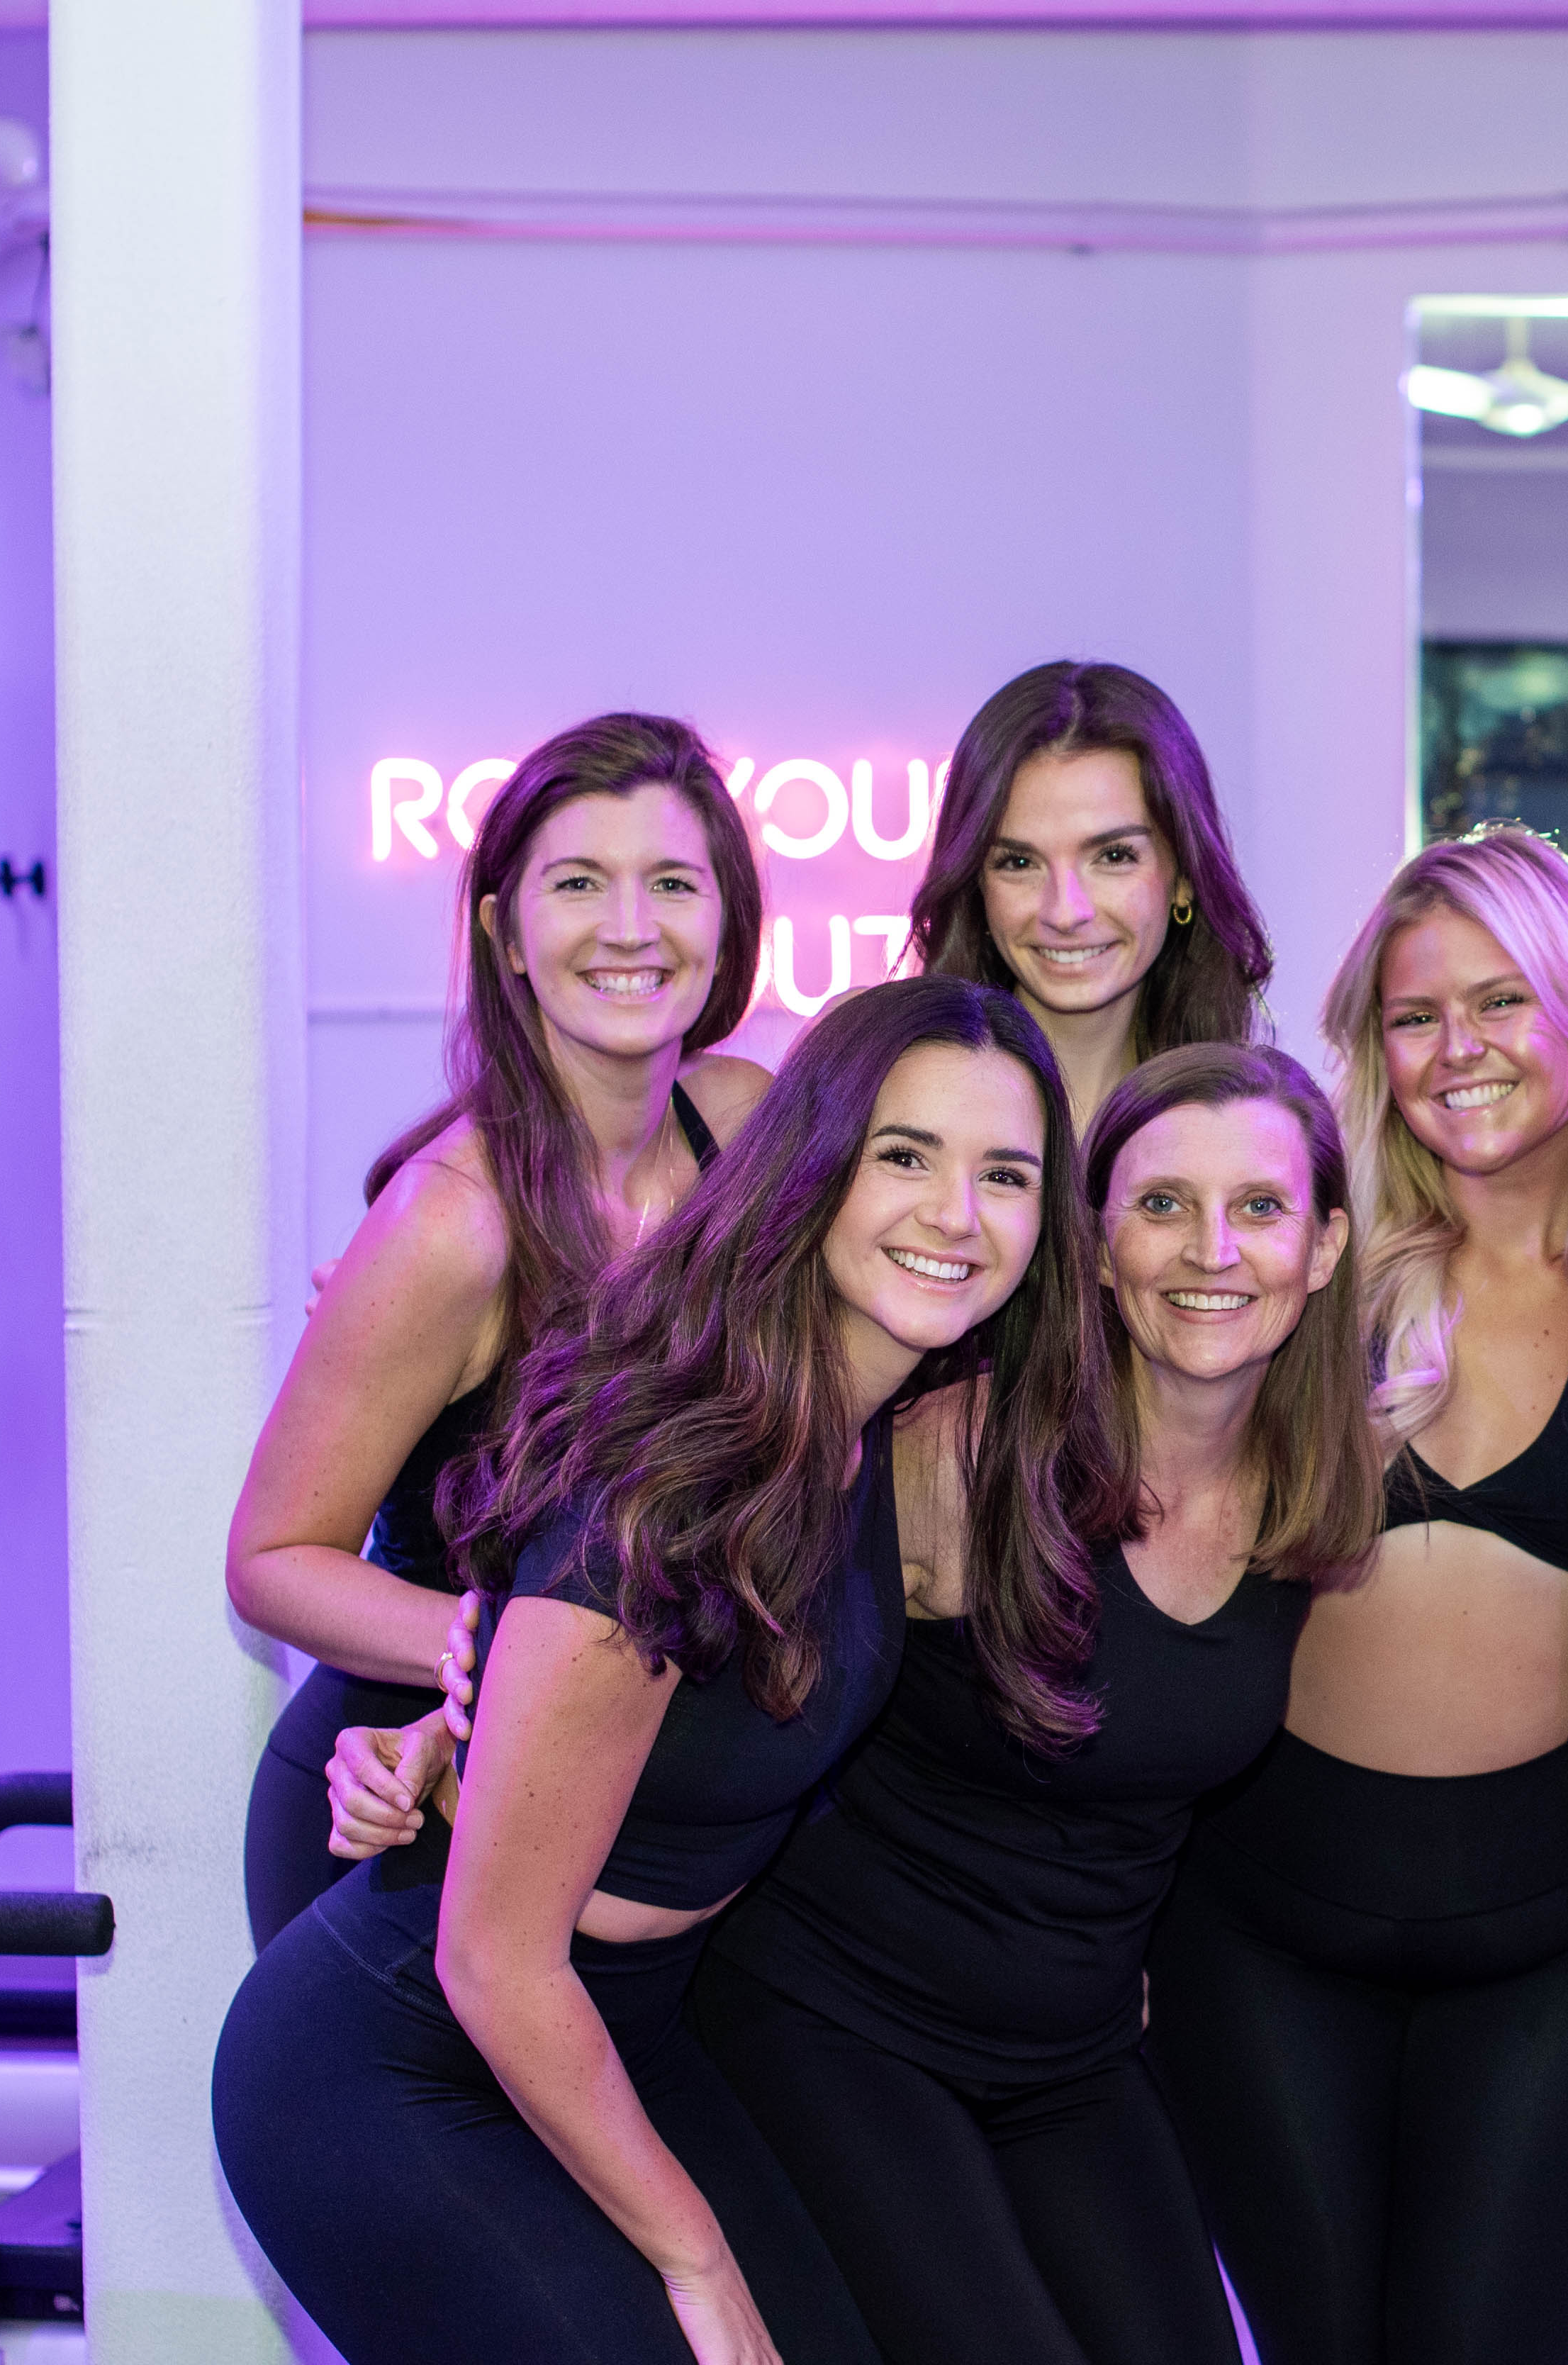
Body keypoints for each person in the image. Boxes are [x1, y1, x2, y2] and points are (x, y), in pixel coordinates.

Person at [345, 1042, 1377, 2365]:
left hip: (1067, 2060)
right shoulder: (955, 1449)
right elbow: (682, 1599)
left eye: (1260, 1208)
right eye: (1162, 1204)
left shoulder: (1326, 1486)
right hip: (842, 2021)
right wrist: (459, 1719)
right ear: (1095, 1243)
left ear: (1327, 1242)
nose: (1210, 1250)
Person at [213, 976, 1116, 2365]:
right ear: (810, 1169)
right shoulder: (672, 1487)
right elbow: (493, 1956)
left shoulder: (874, 1434)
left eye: (1004, 1174)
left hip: (619, 2026)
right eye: (904, 1157)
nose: (956, 1214)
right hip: (406, 2061)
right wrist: (694, 2258)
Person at [1144, 828, 1568, 2365]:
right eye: (1414, 1016)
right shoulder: (1300, 1261)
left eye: (1500, 1001)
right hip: (1263, 1912)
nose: (1456, 1050)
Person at [224, 712, 768, 1947]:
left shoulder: (741, 1133)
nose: (630, 926)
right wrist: (485, 1642)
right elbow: (269, 1557)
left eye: (672, 883)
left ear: (726, 916)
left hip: (620, 1793)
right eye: (577, 883)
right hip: (404, 1810)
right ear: (500, 931)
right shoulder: (450, 1223)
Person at [907, 660, 1272, 1132]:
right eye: (1019, 863)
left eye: (1114, 856)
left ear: (1184, 876)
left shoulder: (1254, 1130)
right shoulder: (879, 1075)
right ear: (976, 885)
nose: (1065, 911)